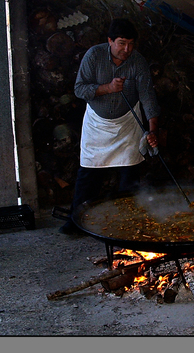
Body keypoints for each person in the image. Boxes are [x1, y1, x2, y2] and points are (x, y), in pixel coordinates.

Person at [59, 18, 160, 234]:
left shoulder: (138, 61)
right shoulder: (94, 56)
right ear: (110, 41)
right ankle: (77, 222)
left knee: (129, 174)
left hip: (128, 123)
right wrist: (107, 88)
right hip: (97, 122)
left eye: (131, 44)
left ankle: (128, 221)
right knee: (88, 174)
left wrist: (152, 130)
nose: (127, 49)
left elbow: (148, 97)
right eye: (122, 43)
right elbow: (79, 89)